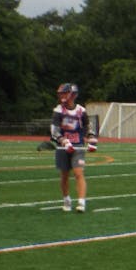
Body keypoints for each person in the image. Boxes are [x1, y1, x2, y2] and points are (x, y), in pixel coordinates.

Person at [50, 83, 96, 212]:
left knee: (78, 173)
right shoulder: (58, 111)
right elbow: (54, 131)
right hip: (63, 147)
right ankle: (66, 199)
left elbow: (88, 127)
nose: (62, 96)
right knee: (64, 175)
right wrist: (64, 142)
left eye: (65, 93)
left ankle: (81, 202)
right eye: (61, 94)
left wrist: (92, 142)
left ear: (72, 94)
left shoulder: (81, 111)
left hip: (78, 146)